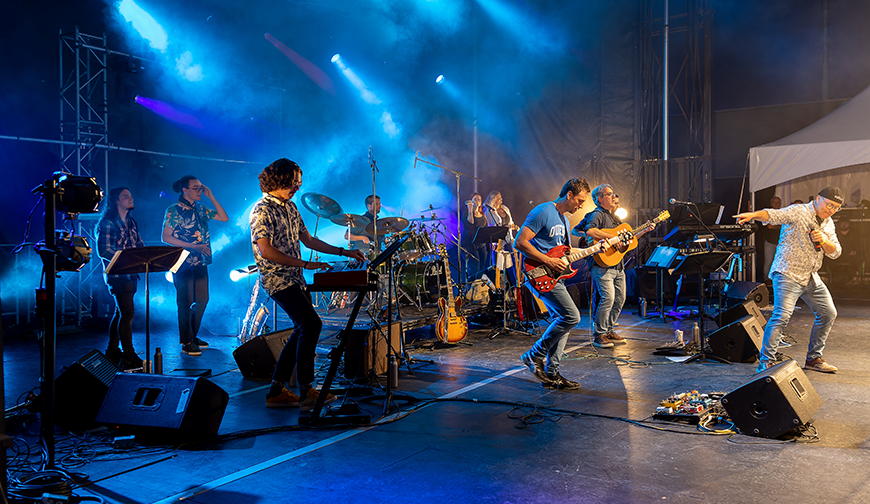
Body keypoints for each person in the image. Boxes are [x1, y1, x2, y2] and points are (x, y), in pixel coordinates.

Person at [250, 158, 367, 409]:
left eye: (299, 183)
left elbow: (309, 240)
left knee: (302, 328)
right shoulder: (262, 209)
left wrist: (344, 252)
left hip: (294, 277)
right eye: (293, 183)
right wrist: (304, 265)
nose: (297, 188)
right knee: (312, 324)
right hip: (277, 278)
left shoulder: (290, 207)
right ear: (279, 179)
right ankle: (307, 391)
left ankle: (276, 391)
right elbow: (266, 251)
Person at [735, 186, 843, 374]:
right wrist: (753, 215)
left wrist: (824, 241)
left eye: (835, 208)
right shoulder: (799, 211)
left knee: (828, 313)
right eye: (829, 205)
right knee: (782, 316)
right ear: (818, 199)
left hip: (810, 276)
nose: (831, 210)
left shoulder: (828, 223)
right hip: (787, 273)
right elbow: (773, 215)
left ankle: (813, 358)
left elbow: (836, 252)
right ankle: (766, 362)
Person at [514, 178, 591, 391]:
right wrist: (548, 261)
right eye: (580, 200)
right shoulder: (543, 211)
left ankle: (552, 373)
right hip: (537, 273)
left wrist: (596, 248)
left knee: (563, 320)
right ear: (569, 194)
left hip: (552, 275)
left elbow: (564, 253)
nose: (581, 205)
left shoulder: (565, 221)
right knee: (571, 316)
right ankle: (533, 355)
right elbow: (519, 242)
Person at [162, 175, 228, 356]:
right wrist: (193, 246)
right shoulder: (174, 210)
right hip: (182, 262)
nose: (200, 191)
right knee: (185, 302)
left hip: (201, 261)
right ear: (185, 190)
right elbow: (166, 237)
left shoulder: (201, 209)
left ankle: (192, 335)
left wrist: (211, 196)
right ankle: (186, 341)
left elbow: (224, 217)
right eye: (196, 188)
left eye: (200, 188)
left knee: (202, 299)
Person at [573, 184, 629, 349]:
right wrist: (607, 238)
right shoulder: (597, 214)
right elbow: (589, 231)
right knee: (608, 298)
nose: (613, 197)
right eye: (609, 194)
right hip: (601, 264)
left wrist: (645, 230)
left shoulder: (613, 217)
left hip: (616, 264)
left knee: (620, 299)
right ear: (599, 198)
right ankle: (600, 334)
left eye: (613, 194)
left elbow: (625, 238)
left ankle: (609, 330)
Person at [96, 187, 145, 370]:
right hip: (117, 275)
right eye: (125, 196)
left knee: (120, 313)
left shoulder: (131, 222)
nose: (130, 198)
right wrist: (128, 259)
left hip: (131, 274)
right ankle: (129, 355)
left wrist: (143, 256)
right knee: (127, 314)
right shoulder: (108, 223)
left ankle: (111, 351)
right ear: (116, 202)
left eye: (130, 195)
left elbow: (139, 245)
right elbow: (104, 251)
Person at [461, 192, 488, 281]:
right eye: (475, 199)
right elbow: (470, 224)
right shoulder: (466, 213)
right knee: (474, 268)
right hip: (471, 244)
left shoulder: (482, 213)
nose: (477, 201)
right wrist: (470, 209)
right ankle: (472, 288)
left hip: (482, 244)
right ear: (471, 201)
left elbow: (486, 228)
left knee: (482, 267)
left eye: (479, 199)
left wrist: (489, 242)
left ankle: (480, 289)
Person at [762, 196, 783, 283]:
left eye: (778, 202)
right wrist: (779, 226)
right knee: (768, 261)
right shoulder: (768, 213)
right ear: (771, 204)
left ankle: (777, 280)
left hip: (780, 242)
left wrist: (777, 226)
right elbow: (770, 226)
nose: (776, 204)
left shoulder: (783, 213)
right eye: (775, 202)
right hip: (769, 242)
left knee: (779, 262)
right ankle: (767, 280)